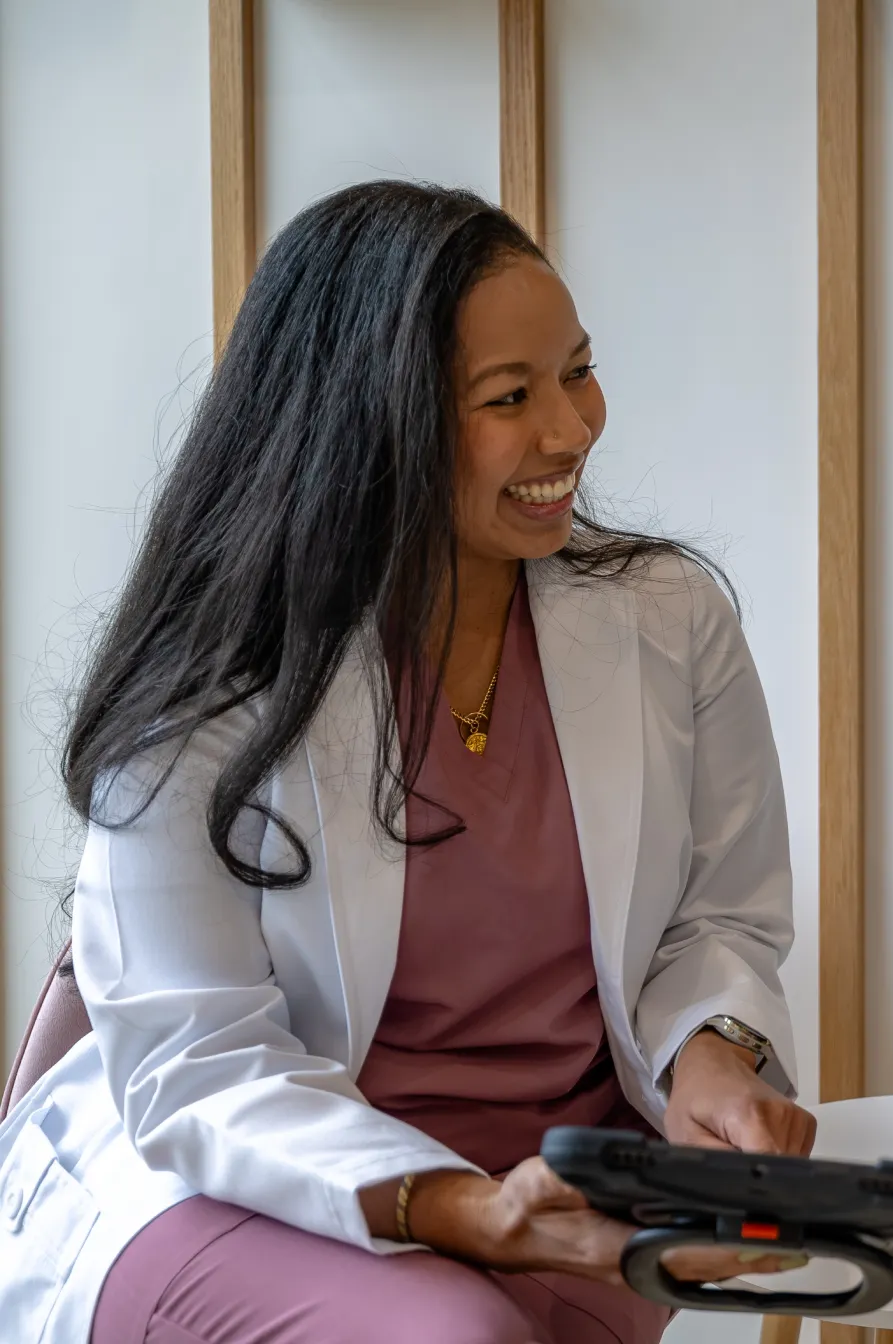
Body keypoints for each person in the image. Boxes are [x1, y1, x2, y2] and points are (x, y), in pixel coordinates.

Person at [0, 181, 813, 1343]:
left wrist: (716, 1059)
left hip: (559, 1184)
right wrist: (469, 1213)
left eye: (579, 372)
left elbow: (717, 920)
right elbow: (195, 1060)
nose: (571, 430)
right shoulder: (214, 675)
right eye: (509, 397)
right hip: (237, 1180)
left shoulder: (669, 617)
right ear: (372, 419)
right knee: (457, 1335)